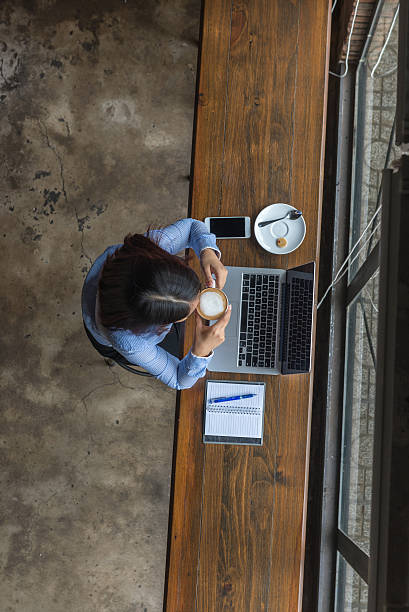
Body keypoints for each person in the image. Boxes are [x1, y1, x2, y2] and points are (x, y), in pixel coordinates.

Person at [81, 218, 231, 389]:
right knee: (179, 347)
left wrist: (207, 252)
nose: (199, 305)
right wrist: (200, 352)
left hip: (106, 287)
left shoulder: (150, 255)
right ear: (158, 323)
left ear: (168, 262)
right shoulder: (129, 341)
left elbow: (192, 226)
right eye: (187, 315)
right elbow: (178, 379)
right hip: (104, 329)